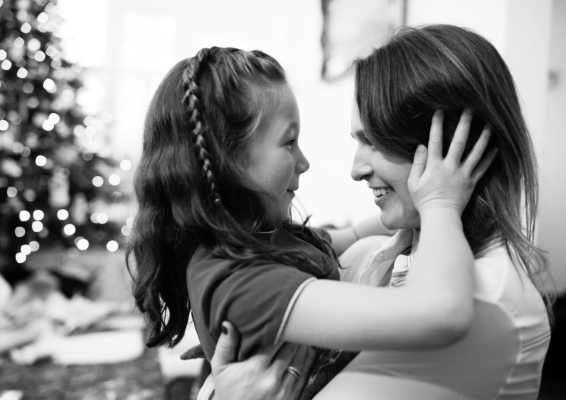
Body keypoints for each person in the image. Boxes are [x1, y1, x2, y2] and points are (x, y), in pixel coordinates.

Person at [205, 24, 554, 400]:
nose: (356, 169)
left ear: (454, 145)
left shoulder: (485, 302)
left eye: (373, 140)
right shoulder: (377, 254)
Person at [126, 45, 494, 399]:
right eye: (289, 143)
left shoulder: (261, 241)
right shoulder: (245, 284)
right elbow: (442, 314)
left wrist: (404, 210)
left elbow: (351, 234)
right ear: (228, 162)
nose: (303, 162)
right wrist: (440, 205)